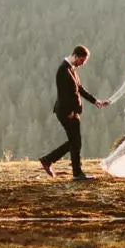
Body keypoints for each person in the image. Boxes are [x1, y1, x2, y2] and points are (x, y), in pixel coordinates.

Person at [38, 45, 105, 180]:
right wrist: (71, 111)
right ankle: (64, 167)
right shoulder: (63, 70)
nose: (82, 64)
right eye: (82, 61)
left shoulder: (70, 69)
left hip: (70, 112)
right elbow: (64, 94)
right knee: (75, 142)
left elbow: (79, 88)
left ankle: (66, 167)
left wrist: (94, 101)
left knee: (75, 142)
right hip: (66, 112)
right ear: (75, 56)